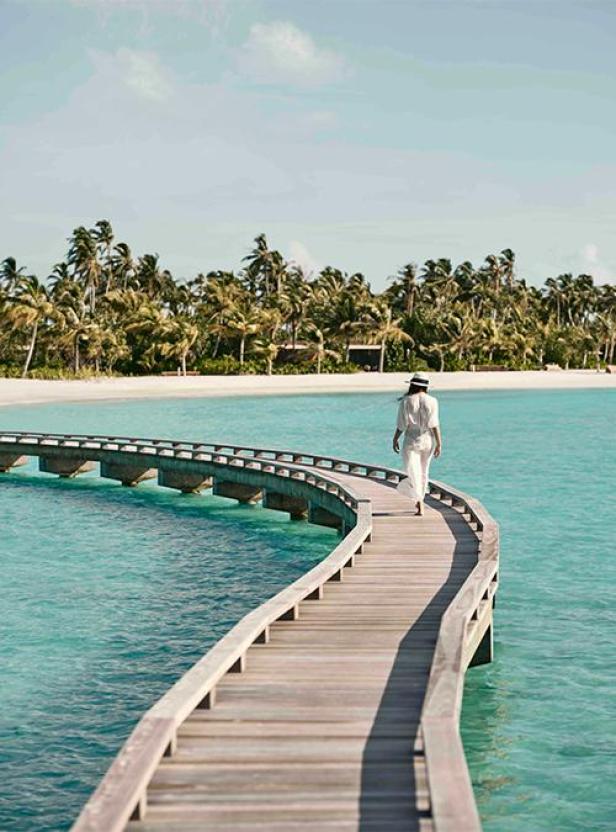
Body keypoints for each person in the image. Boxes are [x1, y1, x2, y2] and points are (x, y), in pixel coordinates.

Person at [392, 373, 442, 516]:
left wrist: (395, 438)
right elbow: (434, 424)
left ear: (412, 385)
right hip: (428, 439)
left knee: (413, 471)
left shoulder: (406, 401)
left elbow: (402, 424)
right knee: (424, 471)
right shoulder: (433, 401)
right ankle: (420, 501)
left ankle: (419, 502)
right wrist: (439, 442)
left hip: (411, 439)